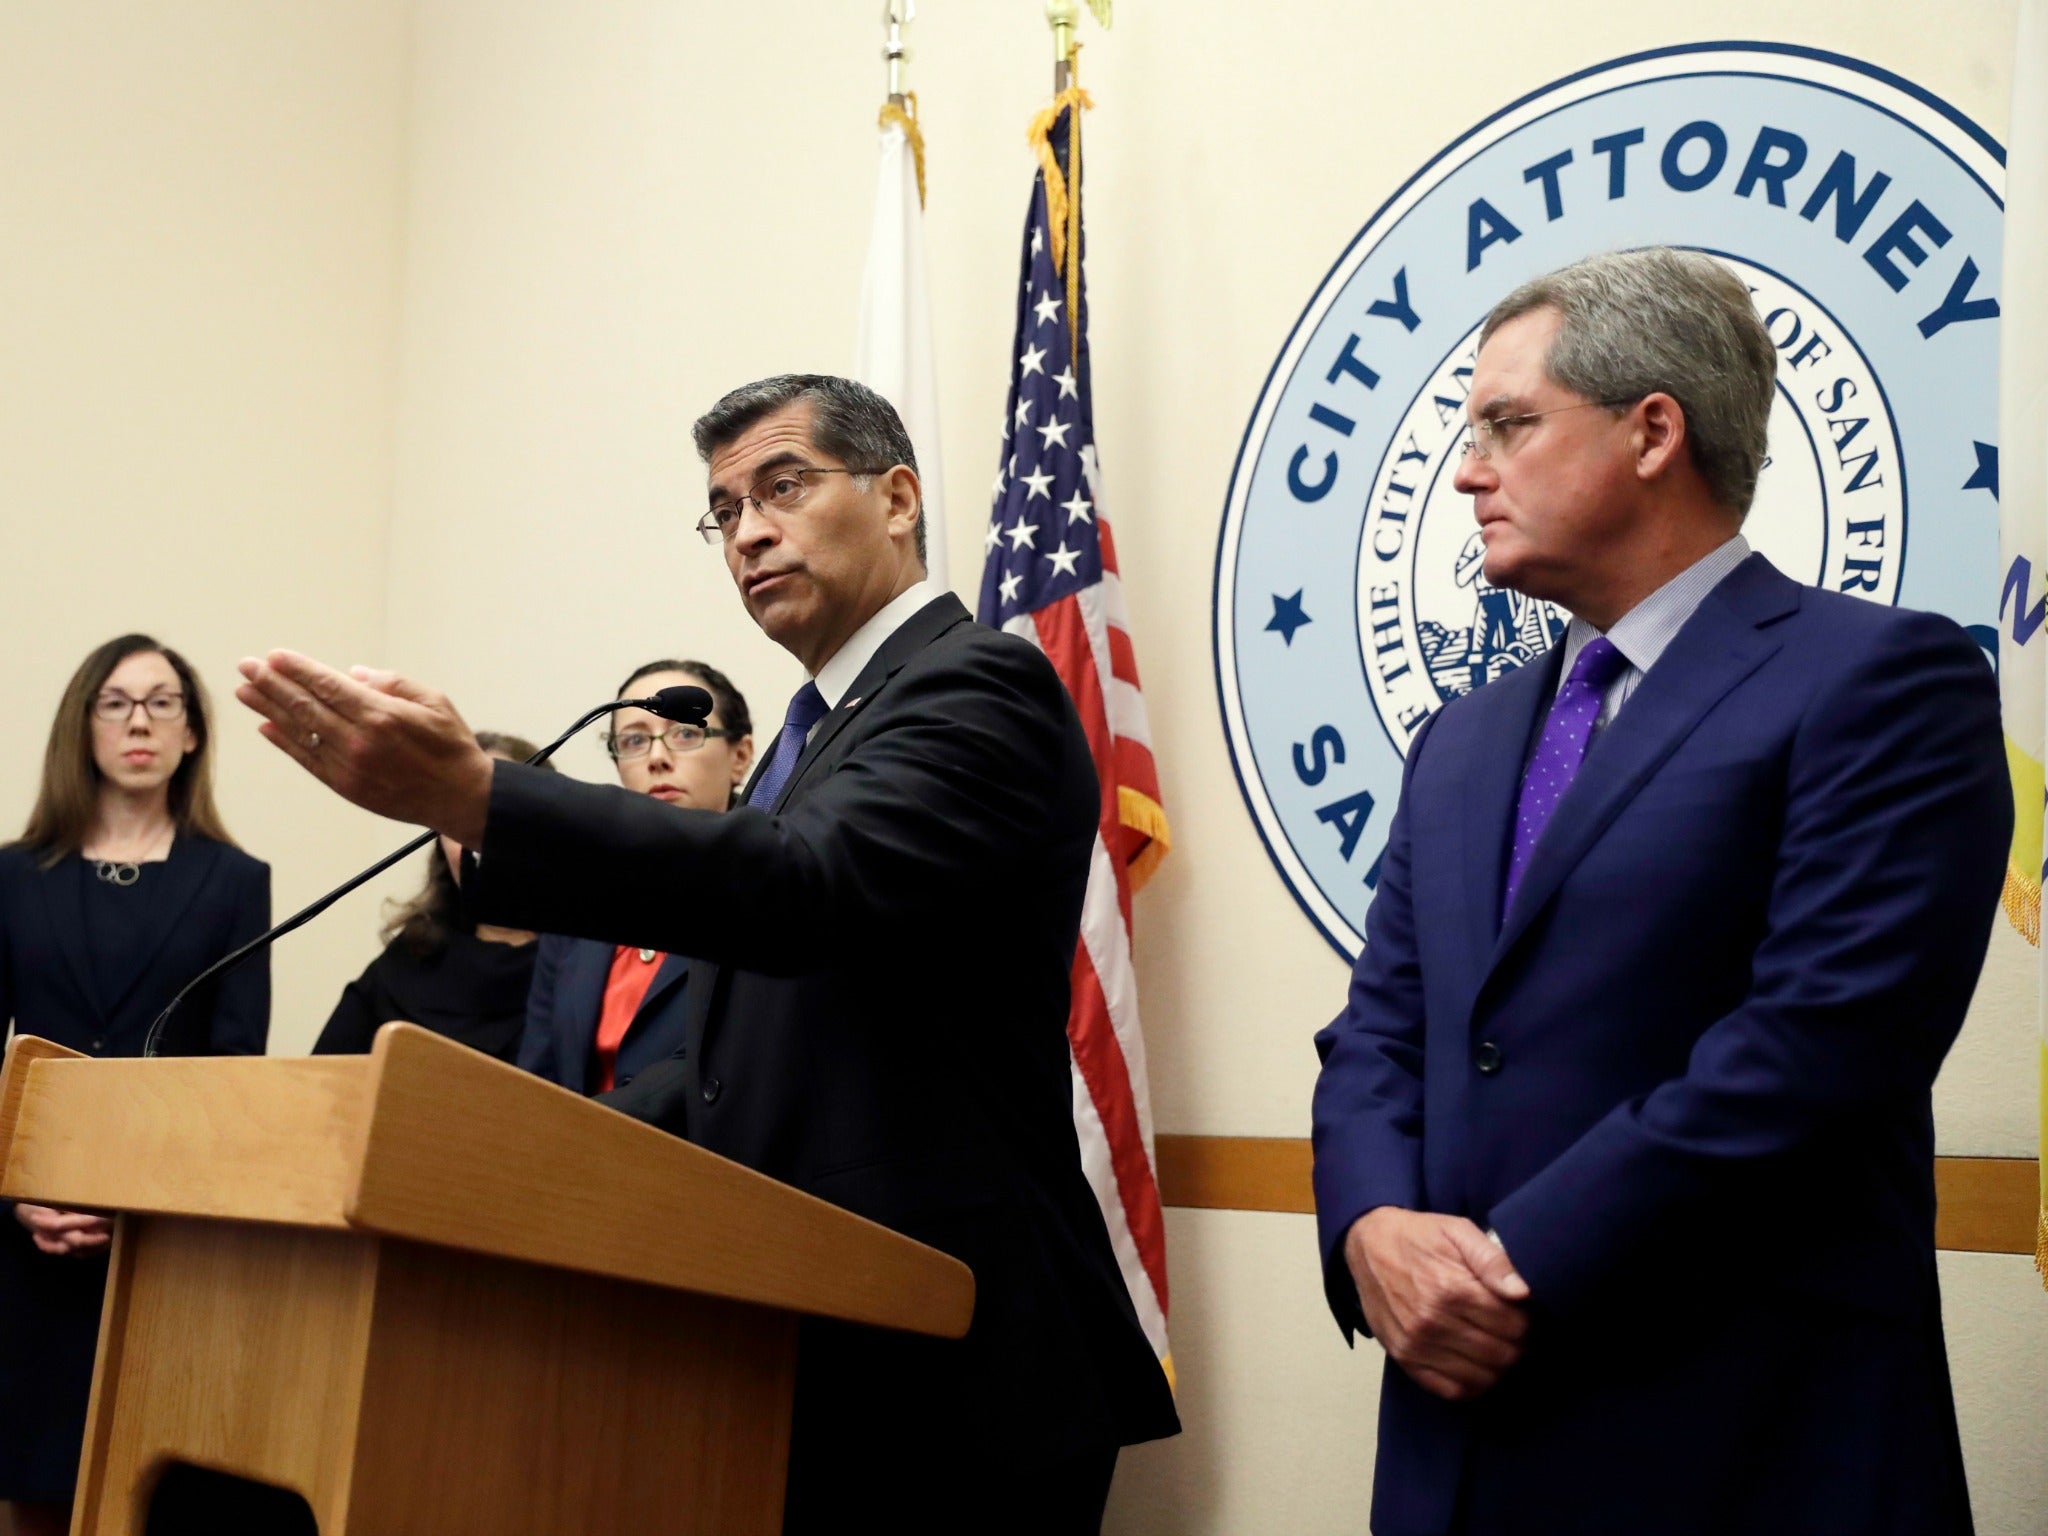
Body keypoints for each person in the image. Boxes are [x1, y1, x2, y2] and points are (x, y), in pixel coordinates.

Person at [233, 374, 1179, 1532]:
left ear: (895, 499)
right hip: (811, 1345)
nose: (749, 532)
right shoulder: (818, 734)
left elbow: (799, 889)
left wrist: (487, 798)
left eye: (781, 487)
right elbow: (755, 1056)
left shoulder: (975, 685)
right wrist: (503, 1139)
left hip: (954, 1365)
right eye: (724, 510)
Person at [1309, 247, 2009, 1536]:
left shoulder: (1881, 682)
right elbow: (1381, 1030)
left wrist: (1507, 1270)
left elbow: (1819, 1042)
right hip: (1455, 1446)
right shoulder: (1460, 737)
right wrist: (1370, 1227)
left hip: (1741, 1439)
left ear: (1651, 432)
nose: (1467, 471)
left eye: (1507, 425)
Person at [0, 635, 270, 1536]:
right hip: (24, 1238)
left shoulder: (235, 883)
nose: (140, 722)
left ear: (193, 734)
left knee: (148, 1497)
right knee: (28, 1488)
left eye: (163, 703)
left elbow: (232, 1072)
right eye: (116, 702)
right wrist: (17, 1195)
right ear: (84, 727)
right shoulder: (11, 877)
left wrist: (146, 1202)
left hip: (163, 1246)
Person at [518, 660, 752, 1094]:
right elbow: (539, 1074)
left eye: (685, 733)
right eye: (634, 740)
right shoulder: (577, 907)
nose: (657, 758)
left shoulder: (765, 894)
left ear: (740, 758)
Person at [312, 731, 550, 1062]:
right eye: (460, 820)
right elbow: (324, 1083)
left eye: (499, 815)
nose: (479, 841)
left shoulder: (582, 970)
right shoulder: (410, 956)